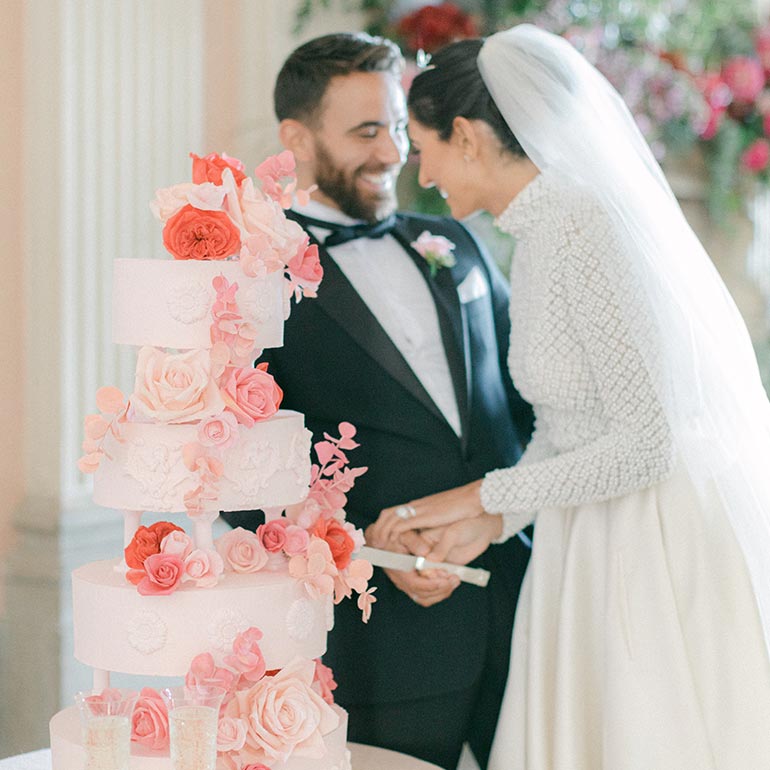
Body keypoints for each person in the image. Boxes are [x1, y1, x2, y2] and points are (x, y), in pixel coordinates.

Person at [370, 25, 770, 770]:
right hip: (587, 534)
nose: (422, 174)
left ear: (466, 137)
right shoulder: (544, 228)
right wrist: (489, 520)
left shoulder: (584, 224)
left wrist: (479, 493)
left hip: (648, 541)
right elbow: (569, 425)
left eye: (424, 146)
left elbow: (646, 443)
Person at [222, 33, 534, 770]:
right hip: (383, 646)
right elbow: (242, 478)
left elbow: (528, 404)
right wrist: (363, 547)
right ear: (295, 139)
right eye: (366, 131)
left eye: (397, 127)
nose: (394, 152)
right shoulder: (253, 285)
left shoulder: (455, 239)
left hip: (523, 613)